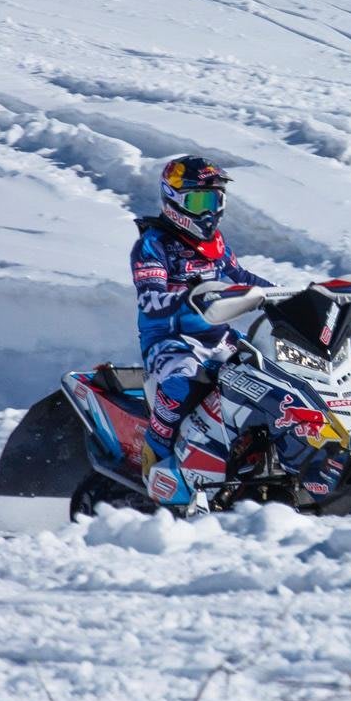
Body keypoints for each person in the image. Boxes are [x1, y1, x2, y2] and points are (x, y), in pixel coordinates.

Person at [131, 155, 253, 508]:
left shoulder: (215, 245)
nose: (209, 210)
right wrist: (191, 296)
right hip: (170, 343)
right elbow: (151, 298)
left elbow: (242, 278)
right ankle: (156, 455)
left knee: (270, 366)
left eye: (214, 201)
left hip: (217, 339)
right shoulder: (152, 245)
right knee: (181, 380)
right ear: (175, 200)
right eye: (200, 200)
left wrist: (292, 294)